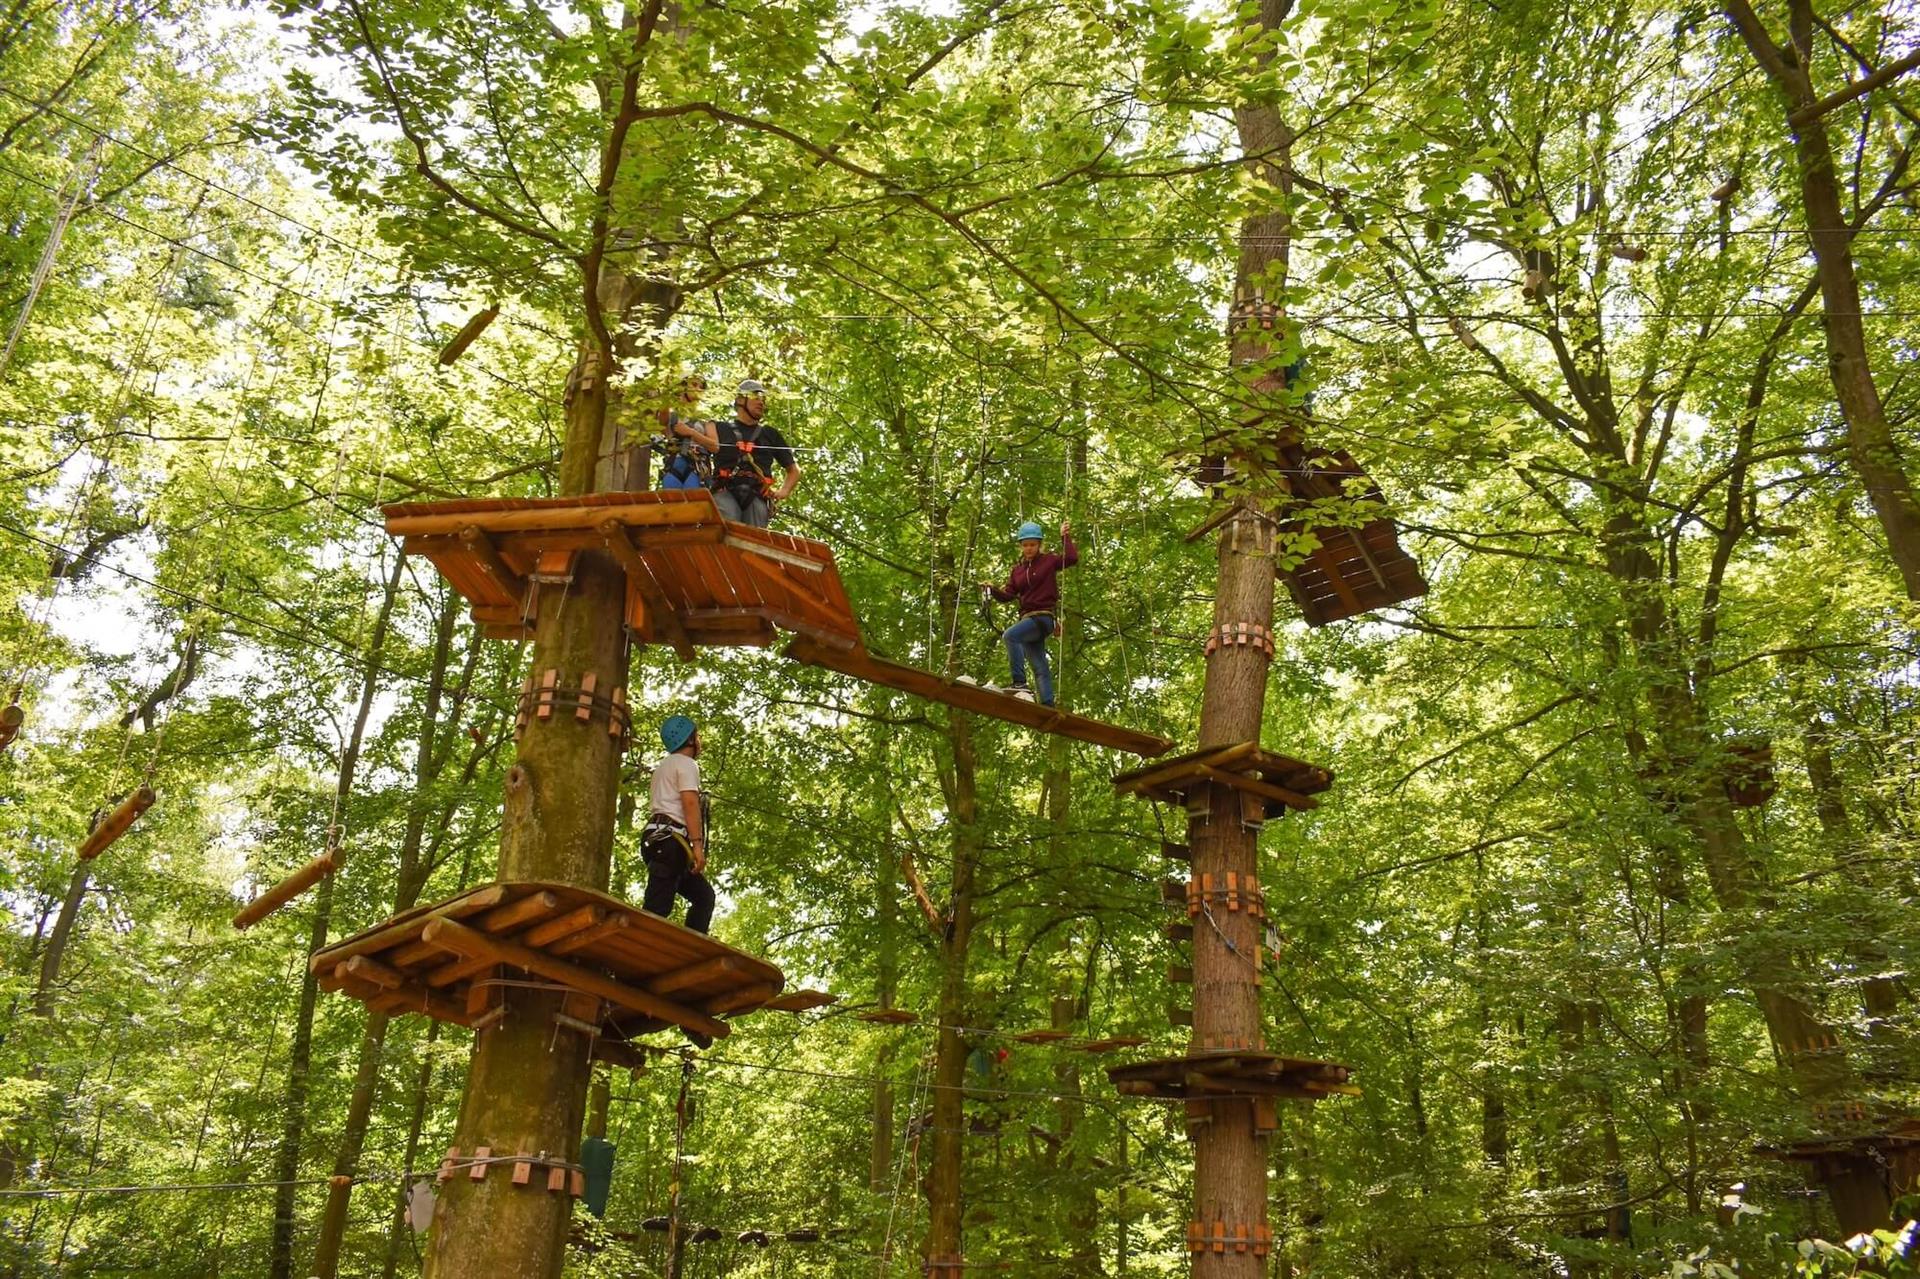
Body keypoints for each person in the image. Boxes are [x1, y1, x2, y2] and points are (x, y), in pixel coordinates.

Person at [979, 520, 1077, 705]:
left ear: (1039, 545)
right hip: (1028, 619)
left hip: (1043, 617)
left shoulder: (1049, 561)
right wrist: (991, 590)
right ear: (1021, 546)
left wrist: (1065, 536)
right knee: (1039, 666)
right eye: (1025, 545)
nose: (1029, 548)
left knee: (1010, 636)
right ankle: (1047, 703)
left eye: (1033, 544)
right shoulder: (1017, 571)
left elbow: (1071, 558)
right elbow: (1008, 595)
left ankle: (1019, 683)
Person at [640, 714, 714, 936]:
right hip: (669, 843)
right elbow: (689, 803)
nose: (699, 741)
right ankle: (640, 950)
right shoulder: (686, 763)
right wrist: (698, 847)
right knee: (656, 910)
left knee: (704, 897)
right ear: (690, 740)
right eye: (697, 736)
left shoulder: (664, 766)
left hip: (663, 842)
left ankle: (693, 945)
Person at [709, 378, 800, 527]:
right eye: (755, 397)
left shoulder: (769, 434)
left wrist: (784, 490)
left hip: (756, 494)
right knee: (730, 523)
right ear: (740, 400)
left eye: (763, 399)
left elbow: (793, 470)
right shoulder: (719, 428)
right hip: (725, 489)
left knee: (755, 536)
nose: (761, 402)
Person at [654, 375, 720, 491]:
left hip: (696, 465)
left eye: (701, 387)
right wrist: (667, 394)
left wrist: (691, 433)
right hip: (673, 464)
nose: (698, 389)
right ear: (684, 386)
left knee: (692, 501)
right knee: (672, 501)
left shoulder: (705, 418)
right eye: (694, 385)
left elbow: (715, 446)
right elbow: (661, 425)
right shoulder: (672, 416)